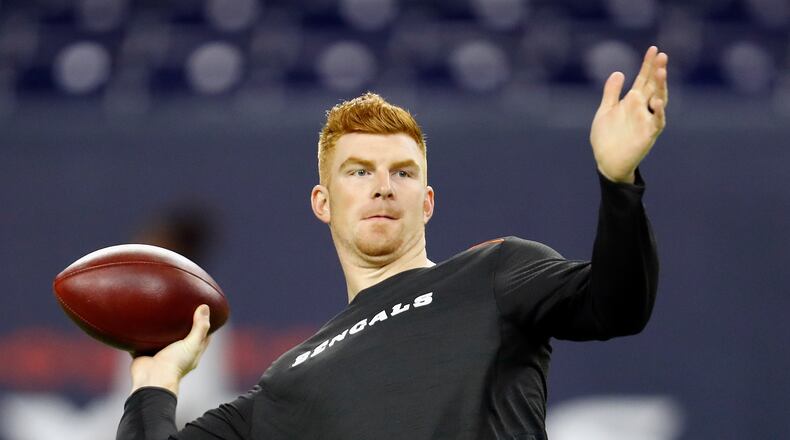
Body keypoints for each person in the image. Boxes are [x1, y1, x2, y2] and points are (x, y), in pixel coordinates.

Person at [118, 46, 668, 440]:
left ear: (427, 202)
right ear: (323, 203)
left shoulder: (493, 275)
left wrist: (619, 184)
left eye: (403, 173)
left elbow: (618, 306)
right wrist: (155, 380)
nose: (383, 185)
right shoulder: (288, 380)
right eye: (358, 172)